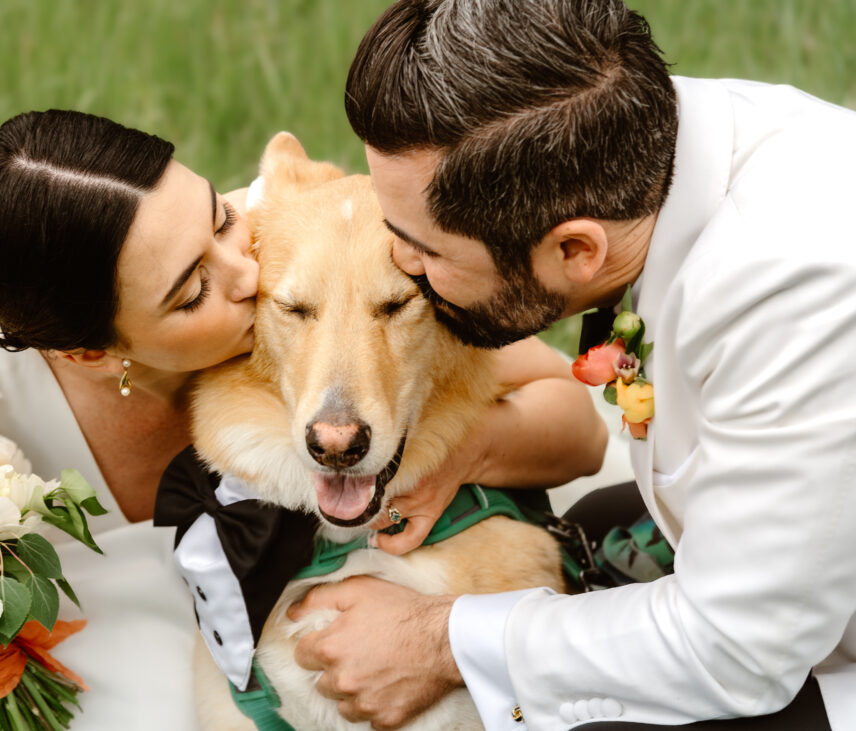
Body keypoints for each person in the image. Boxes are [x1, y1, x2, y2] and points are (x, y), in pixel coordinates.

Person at [0, 109, 606, 729]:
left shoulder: (289, 258)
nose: (247, 272)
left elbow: (573, 413)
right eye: (192, 292)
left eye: (219, 216)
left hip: (290, 573)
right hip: (103, 601)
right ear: (93, 352)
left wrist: (452, 457)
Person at [287, 1, 856, 729]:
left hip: (793, 654)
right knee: (593, 526)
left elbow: (737, 650)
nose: (402, 264)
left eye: (424, 251)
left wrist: (439, 638)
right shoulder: (634, 148)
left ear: (576, 251)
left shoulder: (795, 290)